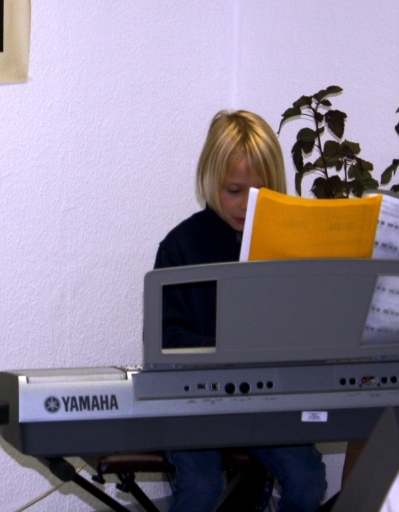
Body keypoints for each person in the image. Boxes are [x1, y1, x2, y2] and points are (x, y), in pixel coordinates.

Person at [155, 110, 327, 512]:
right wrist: (219, 347)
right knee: (200, 487)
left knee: (307, 479)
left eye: (259, 194)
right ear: (209, 179)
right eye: (234, 190)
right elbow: (166, 338)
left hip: (262, 402)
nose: (246, 206)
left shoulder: (282, 249)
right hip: (192, 404)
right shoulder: (180, 247)